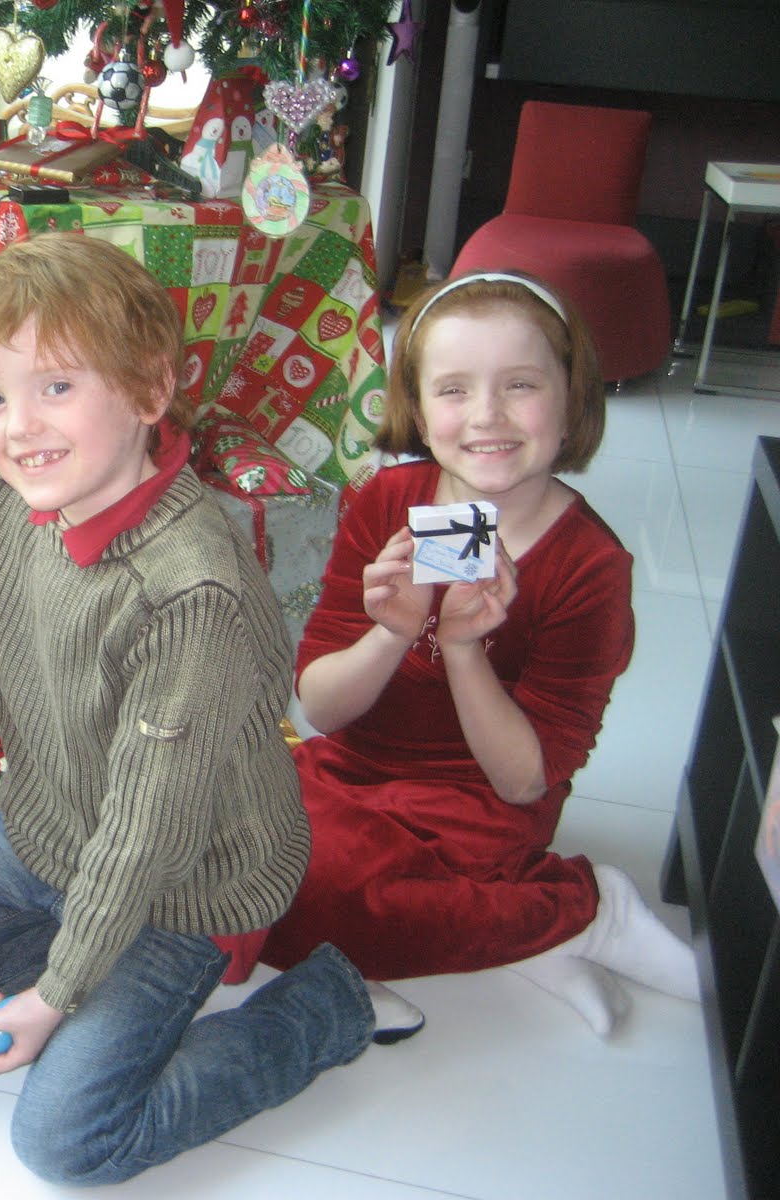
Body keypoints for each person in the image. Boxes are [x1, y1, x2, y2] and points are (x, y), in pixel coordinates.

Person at [0, 233, 420, 1187]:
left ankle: (324, 1004)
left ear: (152, 391)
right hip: (43, 836)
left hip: (178, 885)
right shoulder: (20, 498)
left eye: (58, 387)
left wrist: (60, 995)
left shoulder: (189, 594)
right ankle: (67, 974)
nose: (18, 426)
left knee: (66, 1141)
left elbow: (144, 833)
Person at [258, 271, 697, 1038]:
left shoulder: (589, 566)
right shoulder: (388, 503)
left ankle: (587, 912)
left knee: (317, 896)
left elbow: (523, 780)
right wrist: (392, 632)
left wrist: (464, 650)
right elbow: (321, 712)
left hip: (477, 806)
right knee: (232, 857)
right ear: (419, 409)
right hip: (350, 774)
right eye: (454, 389)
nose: (487, 416)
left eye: (520, 385)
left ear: (571, 399)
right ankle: (519, 940)